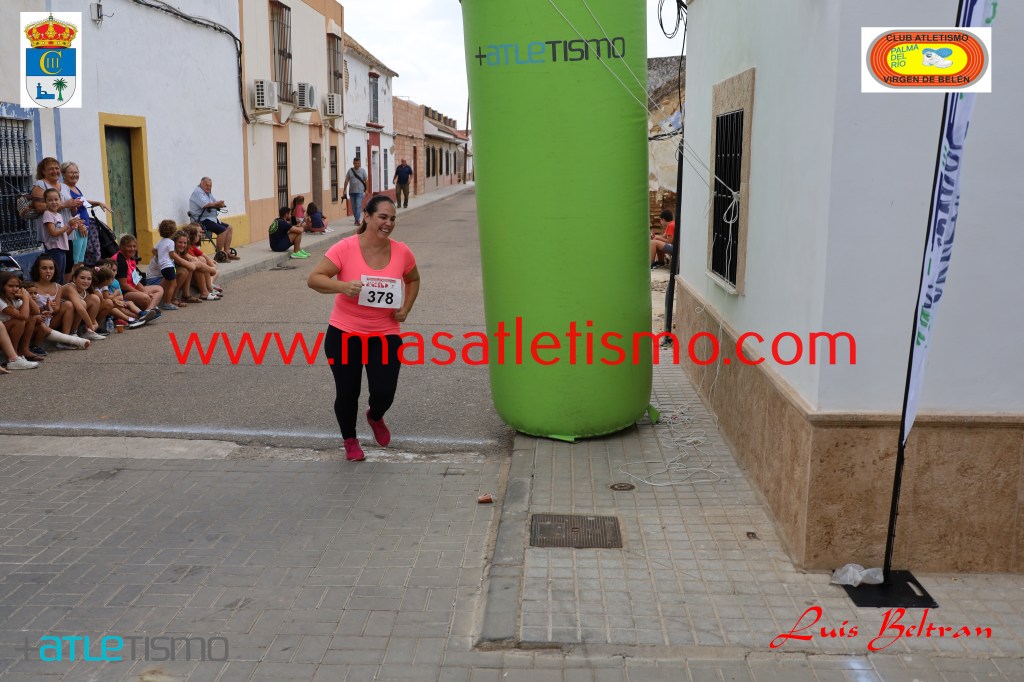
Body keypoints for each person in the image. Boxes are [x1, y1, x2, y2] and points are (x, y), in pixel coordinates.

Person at [307, 195, 421, 462]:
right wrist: (342, 286)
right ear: (367, 217)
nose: (388, 223)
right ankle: (350, 440)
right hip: (345, 333)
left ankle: (375, 415)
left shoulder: (402, 251)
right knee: (348, 392)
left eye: (392, 219)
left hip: (385, 334)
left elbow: (413, 279)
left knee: (384, 392)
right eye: (383, 217)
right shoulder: (345, 248)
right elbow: (314, 279)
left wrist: (406, 308)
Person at [30, 157, 82, 282]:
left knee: (68, 264)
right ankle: (55, 289)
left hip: (66, 231)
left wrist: (74, 206)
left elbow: (71, 210)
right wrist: (64, 204)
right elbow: (39, 207)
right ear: (43, 171)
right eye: (51, 169)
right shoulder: (40, 185)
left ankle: (62, 289)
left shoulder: (64, 186)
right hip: (53, 234)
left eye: (57, 168)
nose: (55, 171)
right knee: (55, 266)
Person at [28, 254, 90, 350]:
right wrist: (43, 308)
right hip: (37, 321)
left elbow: (57, 308)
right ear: (37, 270)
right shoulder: (31, 286)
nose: (48, 271)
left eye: (51, 268)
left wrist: (51, 308)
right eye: (44, 268)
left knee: (68, 305)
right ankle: (69, 340)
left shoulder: (58, 286)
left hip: (51, 320)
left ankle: (65, 339)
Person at [61, 161, 112, 267]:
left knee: (80, 260)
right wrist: (79, 225)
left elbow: (82, 202)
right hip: (76, 229)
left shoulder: (75, 188)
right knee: (75, 261)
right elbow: (67, 211)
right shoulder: (64, 190)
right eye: (71, 172)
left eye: (76, 172)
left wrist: (98, 203)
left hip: (84, 227)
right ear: (64, 174)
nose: (75, 175)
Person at [188, 177, 238, 260]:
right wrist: (217, 204)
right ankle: (219, 254)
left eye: (210, 186)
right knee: (222, 230)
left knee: (229, 228)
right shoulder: (198, 192)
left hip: (210, 218)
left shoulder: (207, 193)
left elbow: (213, 202)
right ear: (201, 184)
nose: (208, 187)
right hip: (201, 220)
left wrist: (220, 204)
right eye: (206, 185)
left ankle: (227, 252)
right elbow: (206, 204)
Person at [114, 235, 162, 320]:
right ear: (122, 247)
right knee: (145, 298)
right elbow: (123, 285)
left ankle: (148, 311)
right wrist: (143, 293)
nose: (132, 249)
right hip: (122, 293)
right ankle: (147, 313)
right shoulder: (120, 261)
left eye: (134, 246)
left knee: (159, 289)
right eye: (129, 246)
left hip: (132, 288)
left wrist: (144, 291)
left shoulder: (130, 259)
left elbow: (135, 280)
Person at [0, 272, 45, 363]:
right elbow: (23, 316)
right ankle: (13, 356)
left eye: (17, 286)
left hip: (6, 334)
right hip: (2, 337)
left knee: (31, 317)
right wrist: (26, 298)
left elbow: (36, 312)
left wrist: (27, 296)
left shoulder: (14, 298)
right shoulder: (1, 301)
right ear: (2, 287)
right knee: (19, 321)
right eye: (10, 286)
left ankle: (24, 350)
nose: (15, 289)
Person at [40, 188, 79, 285]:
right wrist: (68, 225)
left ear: (60, 200)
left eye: (56, 199)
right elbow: (53, 233)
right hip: (54, 249)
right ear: (45, 202)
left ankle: (59, 292)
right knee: (56, 276)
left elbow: (63, 234)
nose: (54, 202)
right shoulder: (48, 214)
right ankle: (55, 293)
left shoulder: (59, 215)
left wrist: (72, 227)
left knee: (61, 275)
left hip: (61, 249)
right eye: (50, 200)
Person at [147, 220, 189, 309]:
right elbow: (172, 254)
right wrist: (171, 257)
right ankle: (168, 303)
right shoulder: (170, 242)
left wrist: (160, 256)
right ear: (173, 232)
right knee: (173, 284)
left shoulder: (161, 242)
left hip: (162, 270)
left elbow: (153, 250)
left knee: (176, 278)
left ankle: (169, 300)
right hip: (159, 276)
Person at [342, 158, 368, 225]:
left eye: (358, 163)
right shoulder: (350, 171)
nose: (357, 165)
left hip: (360, 192)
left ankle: (357, 220)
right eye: (356, 163)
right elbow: (346, 180)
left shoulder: (363, 171)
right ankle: (356, 218)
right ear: (353, 163)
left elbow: (366, 180)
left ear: (360, 164)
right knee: (354, 207)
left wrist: (366, 189)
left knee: (358, 206)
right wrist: (344, 190)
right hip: (352, 192)